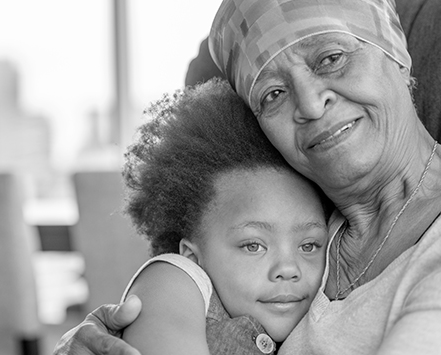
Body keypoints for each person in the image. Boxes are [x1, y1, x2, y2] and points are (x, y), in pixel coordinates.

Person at [54, 0, 441, 354]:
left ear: (395, 50)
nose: (312, 103)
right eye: (273, 94)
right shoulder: (296, 227)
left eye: (331, 58)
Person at [115, 78, 329, 355]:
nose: (288, 269)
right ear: (192, 257)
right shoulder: (174, 279)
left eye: (308, 246)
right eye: (253, 246)